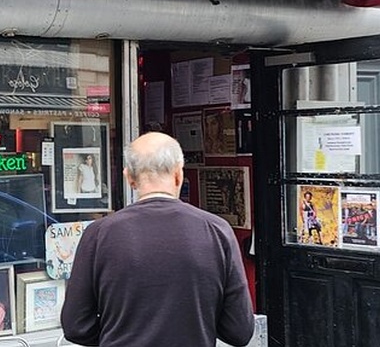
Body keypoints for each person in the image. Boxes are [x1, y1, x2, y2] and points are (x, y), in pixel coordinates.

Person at [61, 132, 254, 347]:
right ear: (179, 175)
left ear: (129, 178)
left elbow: (75, 326)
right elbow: (240, 330)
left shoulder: (99, 234)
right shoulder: (217, 231)